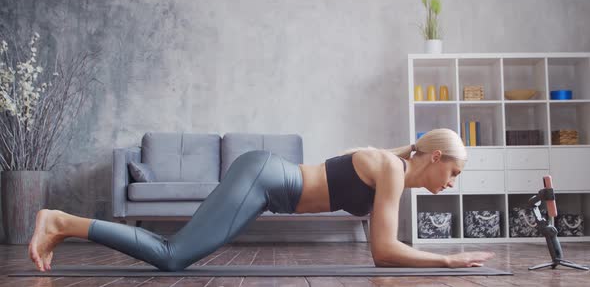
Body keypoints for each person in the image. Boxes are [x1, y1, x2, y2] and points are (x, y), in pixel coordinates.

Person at [29, 128, 495, 272]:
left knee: (176, 254)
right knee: (172, 257)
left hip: (263, 180)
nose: (451, 183)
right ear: (435, 156)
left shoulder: (391, 167)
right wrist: (448, 261)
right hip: (262, 179)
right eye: (452, 173)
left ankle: (62, 225)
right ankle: (60, 221)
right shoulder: (393, 169)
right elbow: (383, 251)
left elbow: (381, 247)